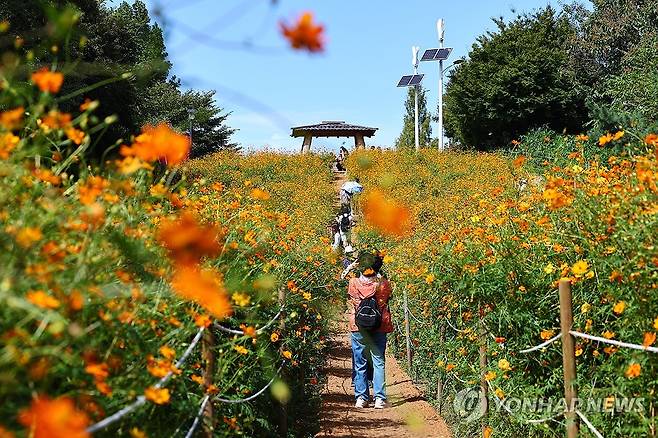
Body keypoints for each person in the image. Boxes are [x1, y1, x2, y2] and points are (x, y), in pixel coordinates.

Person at [348, 251, 393, 409]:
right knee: (378, 361)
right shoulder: (383, 284)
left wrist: (354, 266)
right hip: (379, 326)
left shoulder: (353, 283)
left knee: (360, 362)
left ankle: (361, 397)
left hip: (357, 326)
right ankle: (379, 398)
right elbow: (388, 296)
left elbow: (352, 300)